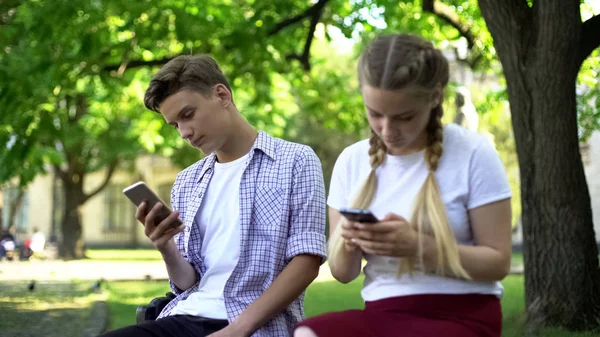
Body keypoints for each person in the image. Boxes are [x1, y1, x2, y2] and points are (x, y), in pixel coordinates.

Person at [294, 34, 512, 337]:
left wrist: (418, 247)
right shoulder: (352, 161)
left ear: (435, 97)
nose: (387, 130)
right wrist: (348, 240)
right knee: (308, 332)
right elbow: (343, 274)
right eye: (375, 114)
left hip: (464, 314)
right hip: (384, 314)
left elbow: (498, 263)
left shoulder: (474, 153)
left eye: (404, 117)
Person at [100, 54, 327, 337]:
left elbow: (307, 263)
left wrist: (236, 330)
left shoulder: (296, 161)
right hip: (184, 317)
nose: (184, 132)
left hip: (254, 326)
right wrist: (166, 247)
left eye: (187, 115)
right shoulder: (187, 181)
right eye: (175, 125)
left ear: (221, 95)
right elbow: (188, 282)